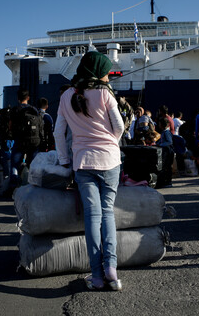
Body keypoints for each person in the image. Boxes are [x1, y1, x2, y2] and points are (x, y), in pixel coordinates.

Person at [54, 51, 124, 290]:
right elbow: (119, 126)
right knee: (108, 214)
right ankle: (112, 270)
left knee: (92, 218)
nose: (107, 75)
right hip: (110, 161)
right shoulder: (105, 93)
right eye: (106, 71)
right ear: (97, 71)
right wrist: (110, 143)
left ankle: (96, 276)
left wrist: (65, 160)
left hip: (82, 163)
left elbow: (58, 133)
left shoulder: (65, 96)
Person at [9, 89, 43, 186]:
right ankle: (34, 185)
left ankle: (14, 186)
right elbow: (40, 126)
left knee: (15, 164)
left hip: (20, 140)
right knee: (33, 165)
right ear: (28, 98)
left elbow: (10, 126)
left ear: (18, 98)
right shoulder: (34, 110)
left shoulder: (15, 110)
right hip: (34, 141)